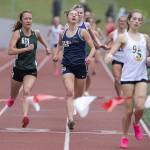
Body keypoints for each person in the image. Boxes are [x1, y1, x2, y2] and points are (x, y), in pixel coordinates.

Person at [105, 10, 150, 148]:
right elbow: (112, 50)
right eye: (134, 19)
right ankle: (124, 136)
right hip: (128, 78)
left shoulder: (145, 38)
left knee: (141, 107)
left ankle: (136, 124)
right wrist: (109, 56)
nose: (137, 21)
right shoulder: (123, 37)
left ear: (141, 23)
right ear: (129, 21)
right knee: (128, 110)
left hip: (142, 76)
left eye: (139, 20)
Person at [53, 9, 95, 130]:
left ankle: (76, 105)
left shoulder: (83, 32)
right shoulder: (63, 32)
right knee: (70, 92)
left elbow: (92, 48)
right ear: (67, 17)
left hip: (81, 66)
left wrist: (89, 57)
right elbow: (60, 44)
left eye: (76, 15)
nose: (74, 16)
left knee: (78, 95)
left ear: (78, 19)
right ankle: (71, 120)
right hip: (67, 65)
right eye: (72, 14)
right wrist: (56, 54)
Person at [7, 10, 50, 128]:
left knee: (26, 91)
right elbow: (10, 51)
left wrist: (47, 47)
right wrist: (25, 49)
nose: (28, 20)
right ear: (21, 21)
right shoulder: (17, 33)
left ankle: (25, 116)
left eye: (30, 18)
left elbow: (40, 38)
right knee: (13, 95)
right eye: (26, 18)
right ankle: (12, 98)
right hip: (18, 69)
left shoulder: (35, 33)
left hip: (31, 69)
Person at [105, 15, 127, 96]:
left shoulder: (129, 34)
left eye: (124, 21)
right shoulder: (113, 34)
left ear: (127, 23)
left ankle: (126, 94)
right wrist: (112, 47)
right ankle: (119, 96)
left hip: (127, 60)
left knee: (125, 80)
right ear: (118, 22)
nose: (122, 22)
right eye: (120, 21)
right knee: (117, 79)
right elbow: (105, 45)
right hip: (116, 58)